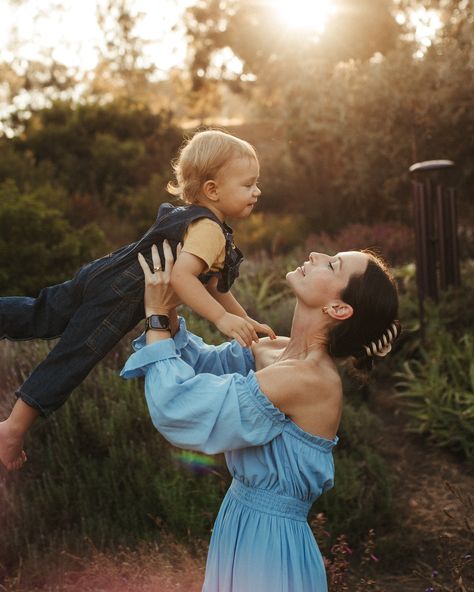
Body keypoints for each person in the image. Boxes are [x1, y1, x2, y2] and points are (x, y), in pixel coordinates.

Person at [121, 240, 401, 592]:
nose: (315, 255)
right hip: (239, 523)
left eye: (332, 265)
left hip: (271, 547)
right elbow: (204, 364)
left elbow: (180, 410)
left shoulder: (308, 379)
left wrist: (157, 318)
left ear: (338, 308)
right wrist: (175, 305)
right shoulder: (274, 348)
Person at [0, 130, 275, 470]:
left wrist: (244, 322)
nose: (257, 191)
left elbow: (216, 287)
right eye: (248, 185)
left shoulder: (193, 218)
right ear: (212, 190)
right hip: (120, 297)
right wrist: (221, 320)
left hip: (102, 274)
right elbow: (183, 277)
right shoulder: (209, 230)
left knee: (38, 313)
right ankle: (12, 429)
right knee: (74, 356)